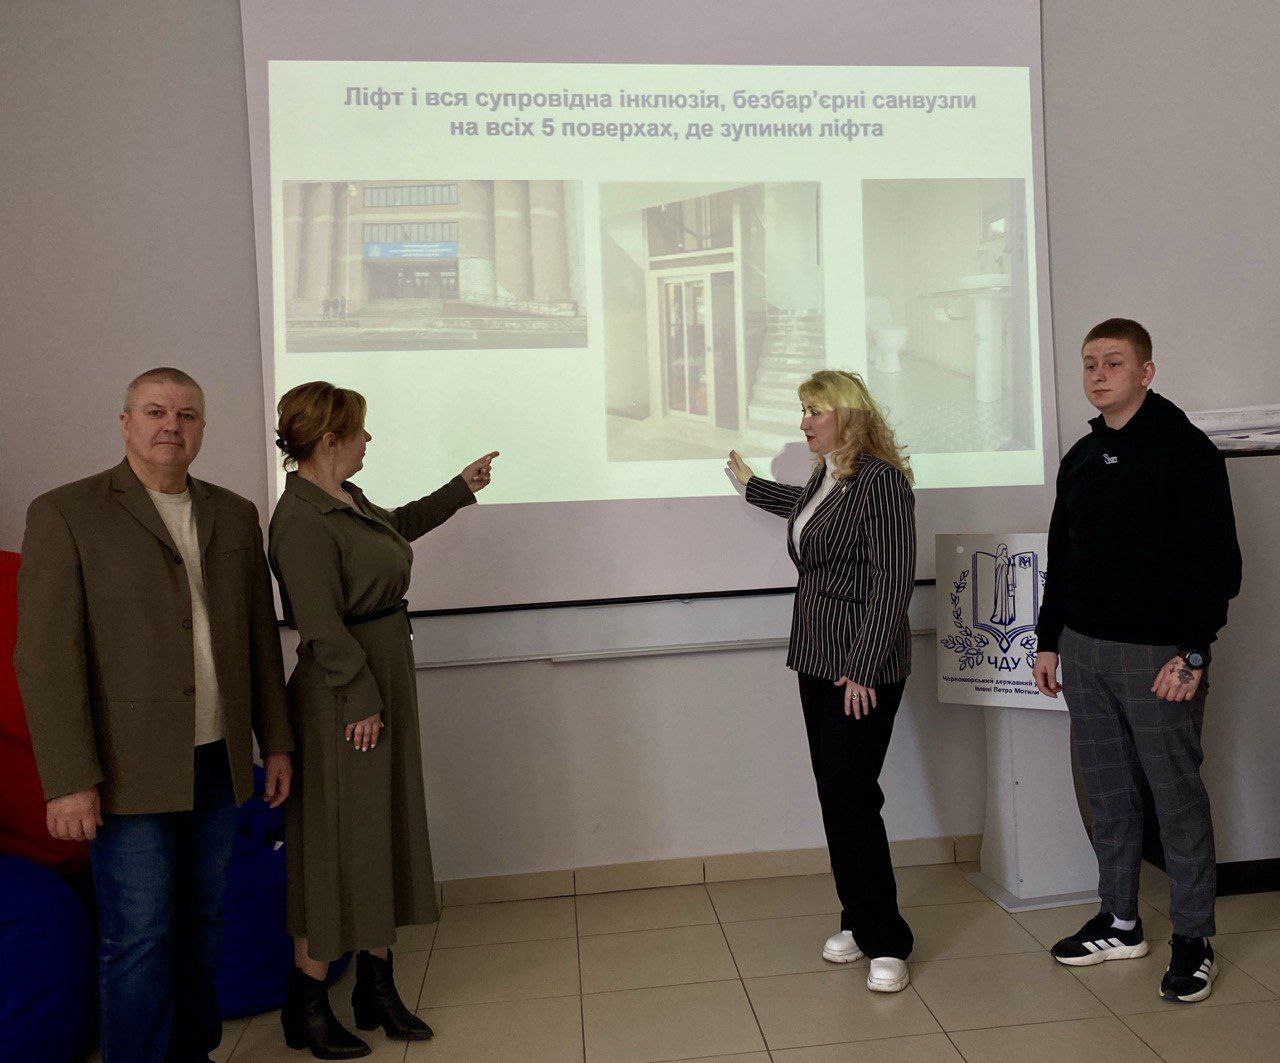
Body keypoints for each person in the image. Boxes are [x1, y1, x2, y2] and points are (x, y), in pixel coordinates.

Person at [14, 367, 294, 1062]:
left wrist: (276, 742)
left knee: (203, 923)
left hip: (217, 761)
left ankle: (193, 1053)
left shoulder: (234, 513)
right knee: (139, 934)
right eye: (155, 411)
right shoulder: (65, 513)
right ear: (125, 423)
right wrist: (68, 780)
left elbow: (259, 640)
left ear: (202, 428)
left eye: (187, 414)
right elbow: (46, 658)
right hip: (124, 769)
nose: (172, 425)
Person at [268, 381, 498, 1058]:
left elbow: (392, 530)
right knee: (339, 839)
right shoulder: (300, 518)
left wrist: (458, 489)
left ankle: (375, 988)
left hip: (377, 681)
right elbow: (319, 624)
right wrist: (361, 698)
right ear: (329, 439)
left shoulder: (347, 499)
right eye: (360, 430)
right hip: (346, 697)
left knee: (379, 829)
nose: (368, 439)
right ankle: (306, 1005)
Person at [1032, 319, 1241, 1003]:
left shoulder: (1186, 451)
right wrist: (1049, 639)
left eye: (1114, 363)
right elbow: (1063, 557)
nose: (1098, 375)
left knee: (1176, 799)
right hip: (1084, 650)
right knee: (1107, 794)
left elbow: (1218, 565)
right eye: (1090, 363)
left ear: (1146, 372)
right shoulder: (1081, 457)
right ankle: (1120, 921)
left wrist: (1192, 652)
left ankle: (1193, 939)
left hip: (1159, 657)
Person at [727, 369, 917, 994]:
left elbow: (892, 584)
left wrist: (862, 667)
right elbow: (808, 513)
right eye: (803, 411)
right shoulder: (827, 474)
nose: (804, 422)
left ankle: (887, 940)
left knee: (853, 799)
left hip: (860, 668)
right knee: (838, 798)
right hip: (816, 657)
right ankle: (858, 920)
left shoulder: (883, 482)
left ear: (848, 415)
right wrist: (751, 486)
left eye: (815, 411)